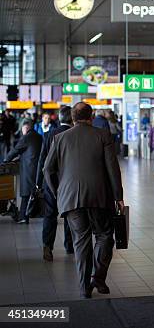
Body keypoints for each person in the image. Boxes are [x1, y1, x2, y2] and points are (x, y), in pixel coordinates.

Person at [43, 102, 124, 299]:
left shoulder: (60, 138)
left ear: (72, 118)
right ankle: (98, 277)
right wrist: (118, 197)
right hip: (99, 197)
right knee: (105, 235)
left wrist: (57, 192)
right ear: (91, 115)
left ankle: (83, 287)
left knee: (81, 241)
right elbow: (113, 169)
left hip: (70, 198)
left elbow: (47, 169)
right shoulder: (103, 136)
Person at [36, 106, 73, 261]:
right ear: (71, 119)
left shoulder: (49, 134)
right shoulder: (73, 135)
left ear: (59, 118)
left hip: (50, 182)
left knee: (50, 215)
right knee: (69, 214)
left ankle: (47, 247)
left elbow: (42, 160)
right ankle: (69, 246)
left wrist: (38, 183)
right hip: (69, 181)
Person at [4, 120, 42, 224]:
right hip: (36, 168)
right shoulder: (38, 136)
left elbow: (16, 149)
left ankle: (24, 216)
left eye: (22, 128)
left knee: (26, 193)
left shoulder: (26, 137)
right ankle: (24, 215)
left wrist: (6, 160)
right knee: (32, 192)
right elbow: (29, 150)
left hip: (28, 168)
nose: (22, 131)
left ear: (26, 127)